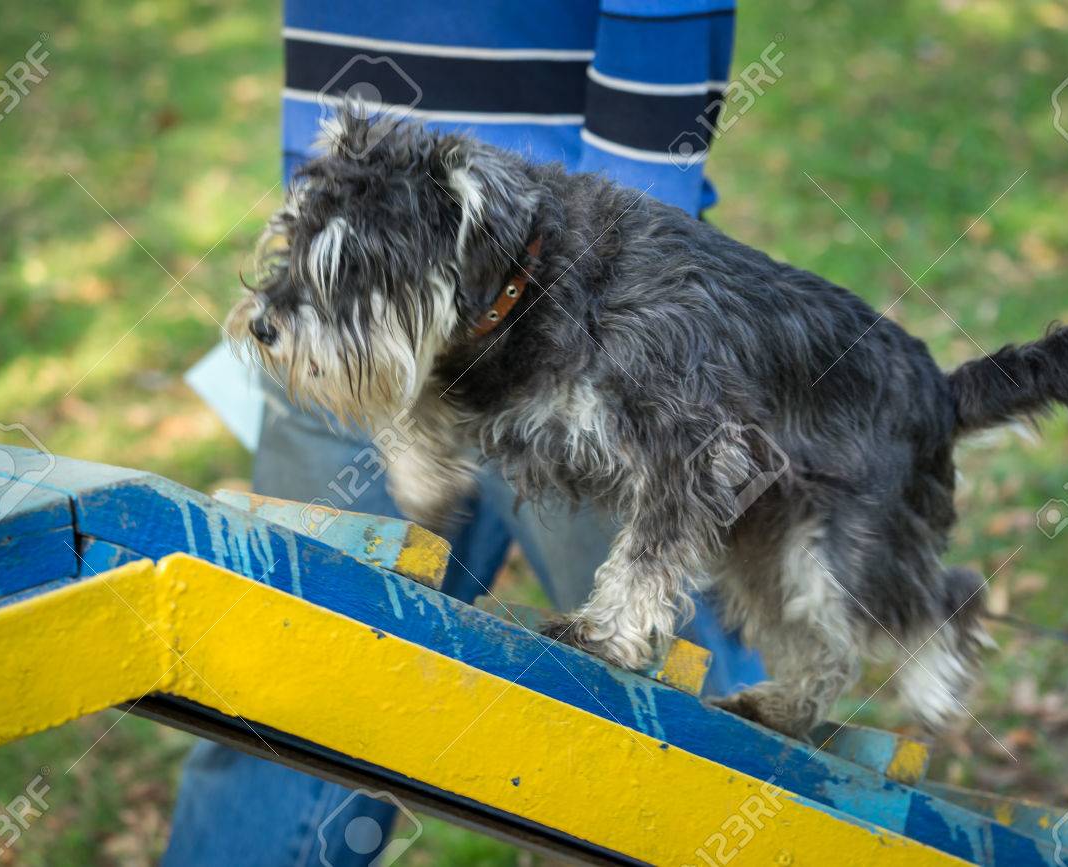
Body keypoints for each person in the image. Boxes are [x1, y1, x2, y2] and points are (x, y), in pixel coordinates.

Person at [166, 2, 762, 864]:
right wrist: (326, 224)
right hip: (353, 283)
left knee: (657, 712)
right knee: (280, 682)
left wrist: (627, 263)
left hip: (575, 300)